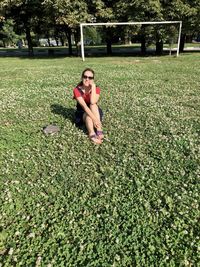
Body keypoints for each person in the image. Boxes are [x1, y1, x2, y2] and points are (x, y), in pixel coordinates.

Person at [73, 68, 104, 144]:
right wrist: (95, 120)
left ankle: (99, 129)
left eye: (90, 78)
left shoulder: (96, 89)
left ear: (93, 79)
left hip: (94, 110)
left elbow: (93, 102)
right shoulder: (76, 90)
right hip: (82, 111)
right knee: (88, 115)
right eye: (85, 77)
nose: (87, 79)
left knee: (93, 105)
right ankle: (91, 133)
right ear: (82, 77)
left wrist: (93, 87)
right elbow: (84, 107)